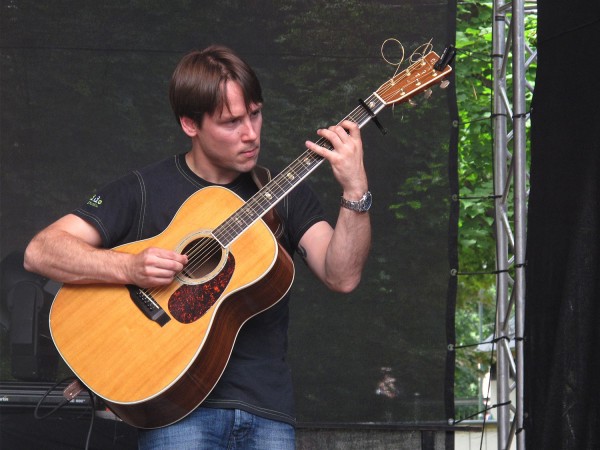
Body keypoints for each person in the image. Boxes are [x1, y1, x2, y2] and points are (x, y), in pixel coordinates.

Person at [24, 45, 371, 449]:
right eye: (231, 122)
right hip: (175, 409)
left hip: (267, 409)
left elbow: (342, 276)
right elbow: (41, 250)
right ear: (190, 124)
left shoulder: (285, 193)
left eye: (255, 114)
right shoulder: (143, 188)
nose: (251, 133)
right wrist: (128, 268)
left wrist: (355, 189)